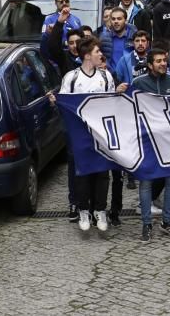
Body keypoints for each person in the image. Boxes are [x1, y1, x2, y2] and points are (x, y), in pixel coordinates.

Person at [57, 37, 120, 233]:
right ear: (86, 55)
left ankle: (100, 210)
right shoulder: (71, 77)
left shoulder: (106, 77)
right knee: (82, 173)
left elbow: (111, 103)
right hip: (80, 134)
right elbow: (65, 103)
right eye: (96, 51)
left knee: (103, 172)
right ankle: (84, 210)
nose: (100, 54)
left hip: (101, 133)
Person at [130, 48, 170, 242]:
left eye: (165, 60)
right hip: (147, 141)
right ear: (150, 65)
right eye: (159, 61)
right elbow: (130, 109)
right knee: (146, 182)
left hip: (169, 140)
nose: (163, 64)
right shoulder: (138, 83)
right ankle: (146, 224)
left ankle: (167, 221)